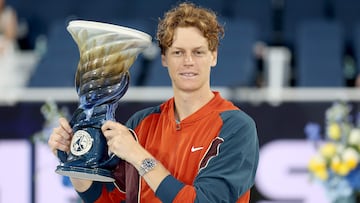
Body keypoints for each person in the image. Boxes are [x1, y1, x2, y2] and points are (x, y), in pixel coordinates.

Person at [48, 2, 259, 202]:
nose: (188, 62)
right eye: (178, 52)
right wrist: (76, 159)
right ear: (164, 58)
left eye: (198, 52)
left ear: (213, 56)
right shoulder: (142, 123)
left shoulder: (236, 127)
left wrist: (139, 156)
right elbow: (109, 200)